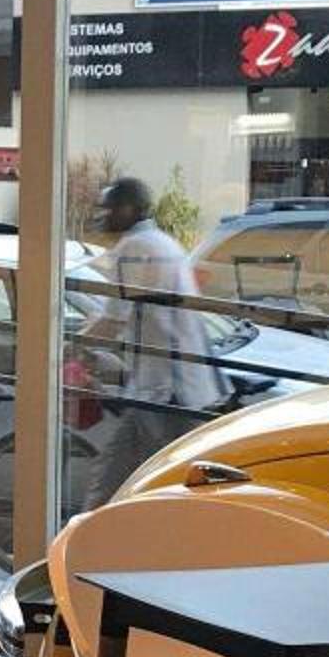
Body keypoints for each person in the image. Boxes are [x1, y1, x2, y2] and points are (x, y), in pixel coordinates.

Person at [86, 175, 224, 481]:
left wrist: (71, 345)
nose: (105, 216)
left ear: (128, 209)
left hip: (163, 389)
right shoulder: (162, 241)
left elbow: (114, 319)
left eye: (111, 209)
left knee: (125, 477)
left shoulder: (134, 247)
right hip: (176, 383)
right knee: (126, 474)